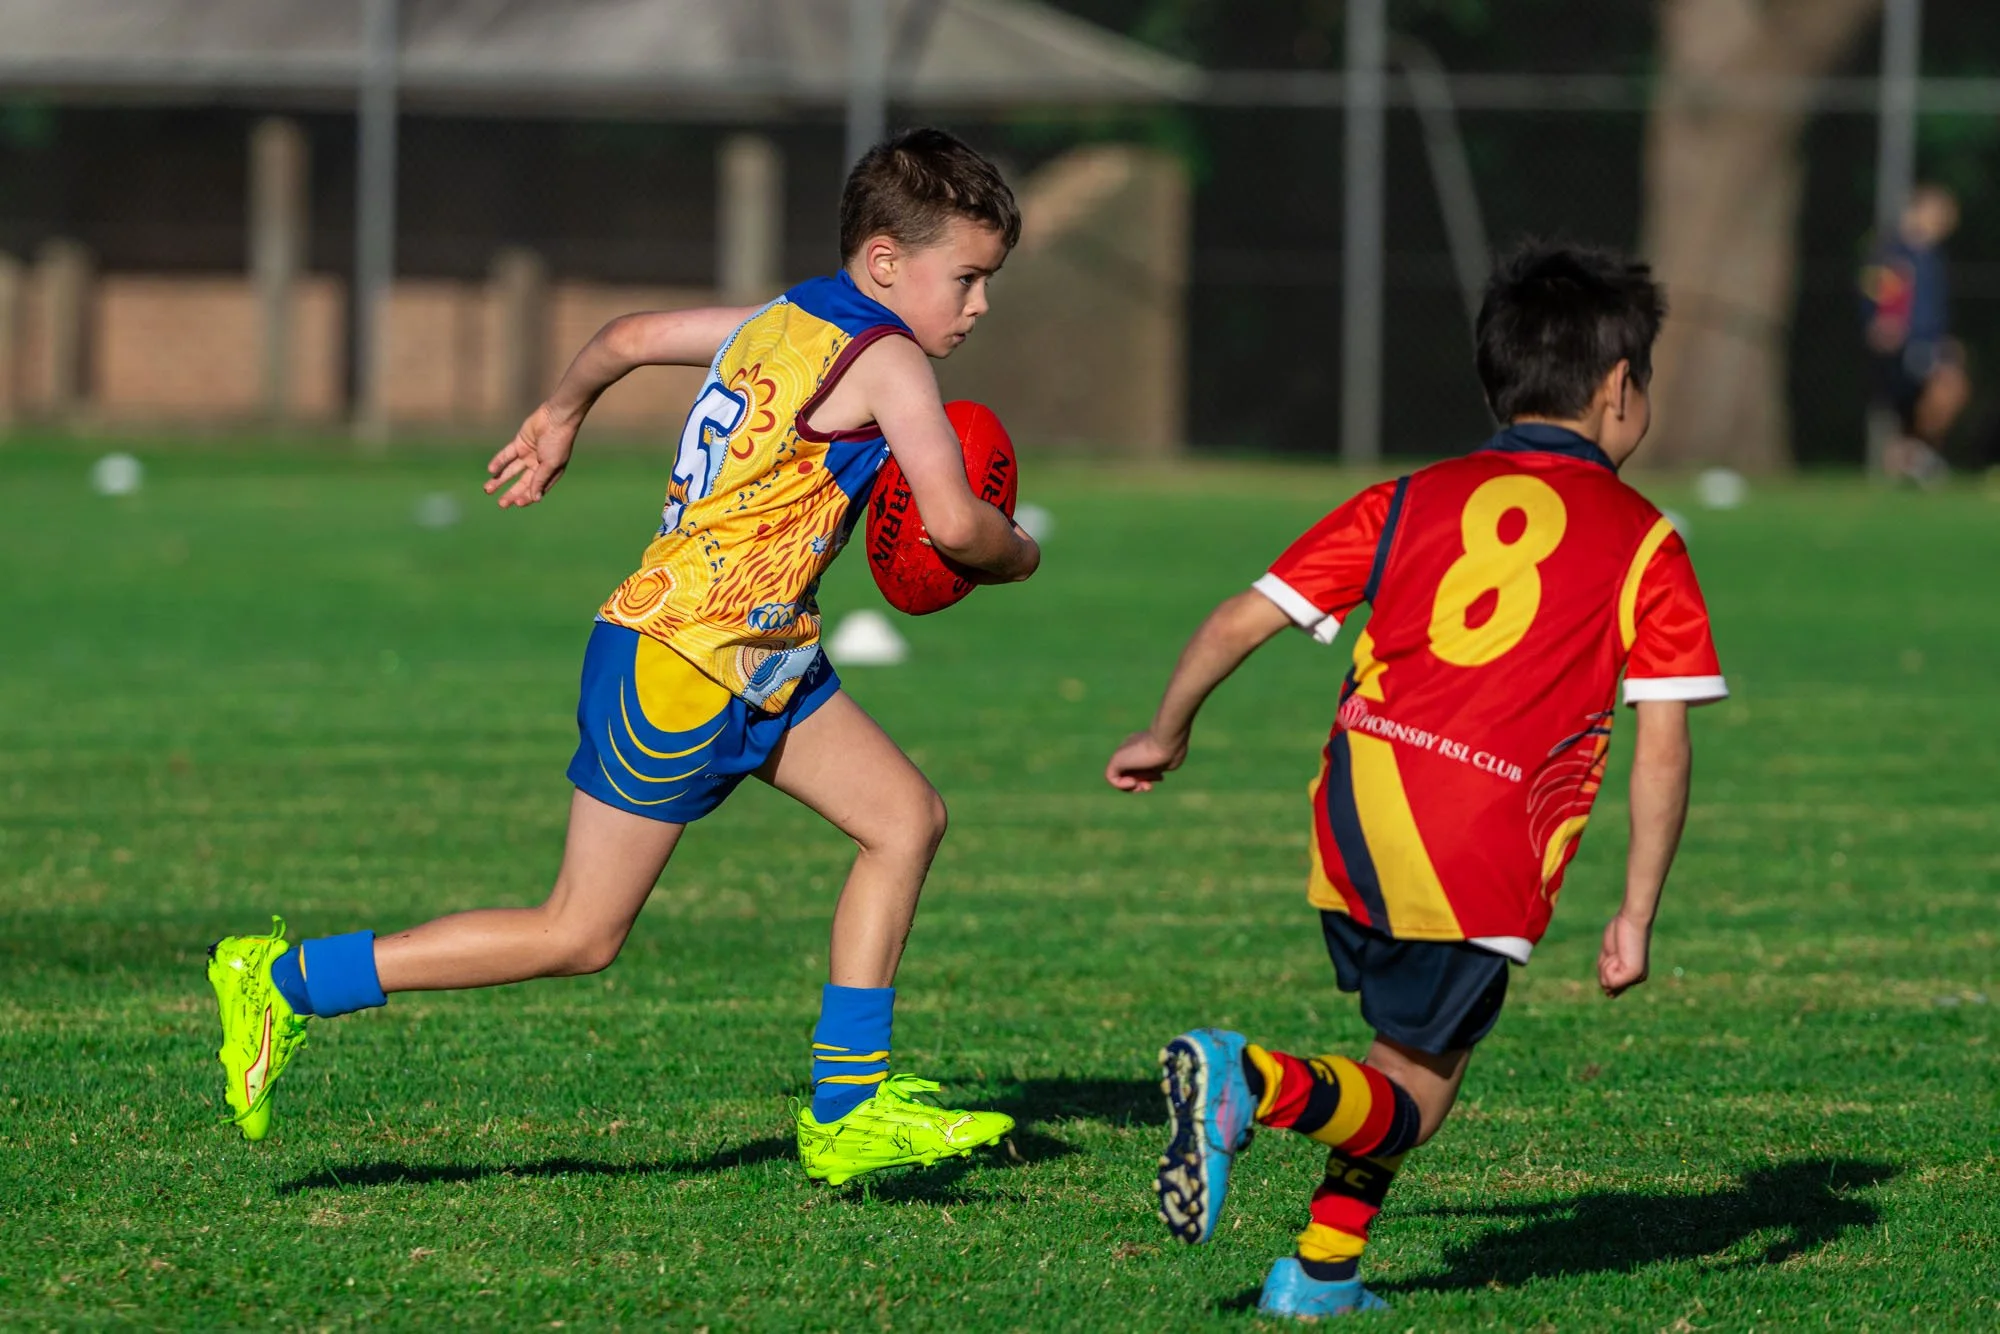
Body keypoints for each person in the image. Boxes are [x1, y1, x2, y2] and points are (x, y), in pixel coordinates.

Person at [205, 127, 1041, 1187]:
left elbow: (629, 333)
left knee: (904, 818)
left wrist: (561, 413)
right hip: (680, 664)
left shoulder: (781, 319)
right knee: (578, 931)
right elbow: (957, 527)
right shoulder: (888, 360)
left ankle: (849, 1107)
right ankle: (284, 980)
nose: (976, 306)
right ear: (885, 263)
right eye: (966, 279)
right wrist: (1019, 550)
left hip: (759, 649)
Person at [1106, 244, 1727, 1319]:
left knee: (1405, 1059)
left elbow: (1238, 616)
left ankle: (1320, 1272)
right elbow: (1662, 745)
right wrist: (1635, 907)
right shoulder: (1644, 542)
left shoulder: (1404, 498)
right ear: (1619, 387)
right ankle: (1247, 1080)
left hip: (1352, 820)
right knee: (1414, 1094)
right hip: (1481, 847)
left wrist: (1165, 731)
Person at [1862, 183, 1969, 484]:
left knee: (1943, 393)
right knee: (1943, 388)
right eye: (1939, 214)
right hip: (1904, 344)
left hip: (1930, 343)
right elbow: (1881, 300)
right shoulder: (1891, 252)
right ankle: (1913, 454)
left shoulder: (1933, 258)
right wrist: (1882, 322)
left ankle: (1911, 455)